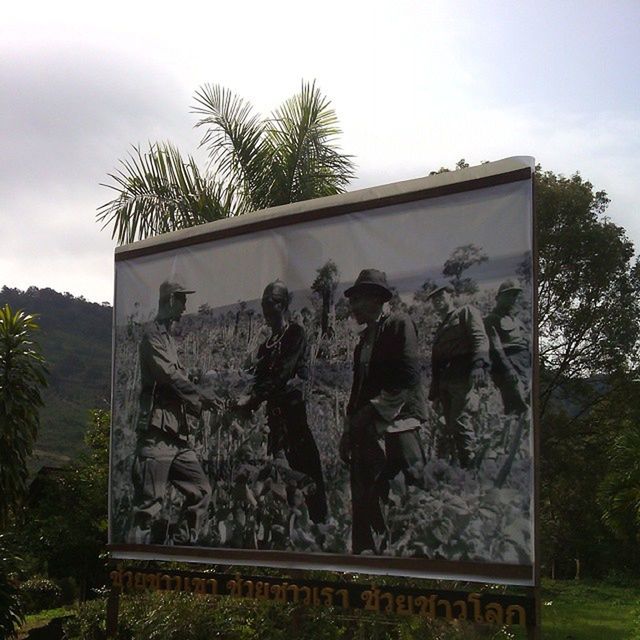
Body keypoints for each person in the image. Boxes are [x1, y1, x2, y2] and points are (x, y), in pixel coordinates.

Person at [339, 269, 427, 555]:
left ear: (376, 298)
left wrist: (370, 414)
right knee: (366, 499)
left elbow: (406, 378)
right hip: (369, 430)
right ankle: (366, 560)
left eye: (358, 300)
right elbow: (358, 391)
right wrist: (349, 429)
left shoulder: (399, 325)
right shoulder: (363, 343)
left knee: (409, 498)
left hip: (399, 425)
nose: (352, 308)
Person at [128, 278, 221, 546]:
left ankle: (180, 550)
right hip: (157, 436)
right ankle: (137, 569)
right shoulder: (152, 336)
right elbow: (168, 376)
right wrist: (200, 397)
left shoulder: (167, 338)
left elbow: (177, 383)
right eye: (181, 300)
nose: (184, 307)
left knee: (202, 490)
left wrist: (203, 402)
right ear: (170, 301)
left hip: (177, 437)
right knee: (149, 508)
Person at [235, 281, 328, 524]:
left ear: (284, 305)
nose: (268, 309)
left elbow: (282, 374)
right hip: (274, 422)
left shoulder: (295, 334)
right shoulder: (265, 345)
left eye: (273, 303)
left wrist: (253, 398)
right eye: (265, 304)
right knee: (280, 477)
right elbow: (260, 380)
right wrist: (244, 400)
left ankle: (320, 529)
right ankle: (290, 529)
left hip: (294, 419)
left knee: (307, 475)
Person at [427, 284, 490, 468]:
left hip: (462, 376)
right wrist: (435, 393)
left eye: (441, 296)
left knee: (460, 421)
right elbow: (436, 363)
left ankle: (471, 467)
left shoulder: (466, 312)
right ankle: (456, 470)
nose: (437, 301)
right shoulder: (440, 328)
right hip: (445, 382)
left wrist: (479, 365)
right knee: (448, 425)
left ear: (451, 296)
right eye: (434, 299)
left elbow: (479, 338)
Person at [484, 280, 530, 415]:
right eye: (508, 295)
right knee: (518, 408)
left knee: (527, 407)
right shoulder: (491, 320)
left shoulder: (517, 320)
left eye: (515, 295)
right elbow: (496, 348)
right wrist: (508, 369)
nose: (512, 298)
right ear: (498, 298)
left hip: (524, 365)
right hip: (508, 367)